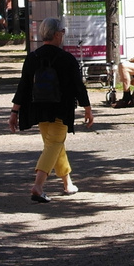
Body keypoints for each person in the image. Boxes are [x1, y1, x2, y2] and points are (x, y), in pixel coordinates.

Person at [10, 17, 94, 202]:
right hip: (60, 109)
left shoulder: (33, 57)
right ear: (56, 34)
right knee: (54, 145)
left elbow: (23, 86)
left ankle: (67, 183)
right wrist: (87, 108)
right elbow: (78, 87)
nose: (63, 35)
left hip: (38, 108)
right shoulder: (67, 59)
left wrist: (14, 112)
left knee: (54, 145)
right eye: (62, 32)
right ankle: (38, 186)